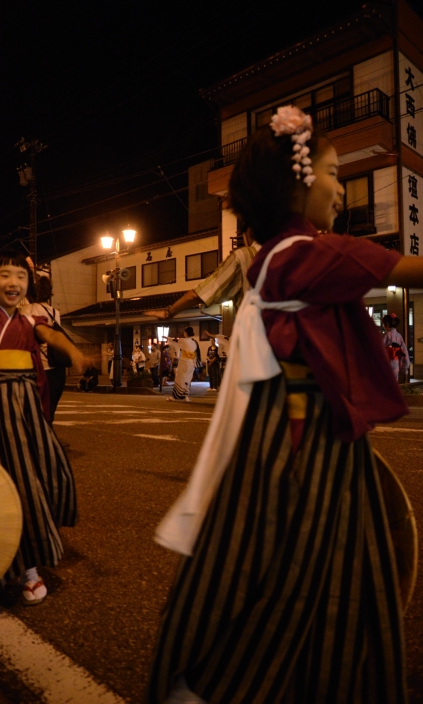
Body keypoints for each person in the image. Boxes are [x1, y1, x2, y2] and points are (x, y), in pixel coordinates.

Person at [148, 106, 417, 703]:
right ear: (298, 182)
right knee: (309, 569)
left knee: (282, 560)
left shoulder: (274, 256)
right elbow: (406, 268)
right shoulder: (302, 254)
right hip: (308, 435)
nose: (339, 186)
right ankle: (215, 687)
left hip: (292, 426)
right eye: (332, 171)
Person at [0, 248, 87, 606]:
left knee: (38, 477)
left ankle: (28, 566)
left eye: (20, 276)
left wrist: (74, 352)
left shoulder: (32, 322)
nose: (13, 282)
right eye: (4, 275)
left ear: (28, 285)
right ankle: (1, 563)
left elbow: (53, 337)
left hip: (27, 409)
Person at [143, 233, 260, 323]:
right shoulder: (277, 254)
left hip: (256, 337)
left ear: (249, 232)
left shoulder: (244, 256)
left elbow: (200, 293)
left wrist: (168, 312)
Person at [21, 276, 66, 421]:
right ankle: (47, 437)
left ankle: (40, 440)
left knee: (34, 410)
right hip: (56, 367)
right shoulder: (54, 312)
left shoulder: (27, 310)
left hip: (37, 368)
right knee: (49, 409)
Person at [167, 327, 199, 402]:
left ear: (186, 333)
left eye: (184, 332)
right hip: (191, 363)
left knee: (179, 378)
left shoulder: (183, 341)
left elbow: (175, 341)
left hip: (184, 361)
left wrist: (167, 337)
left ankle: (175, 396)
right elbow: (196, 355)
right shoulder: (194, 342)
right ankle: (186, 396)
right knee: (188, 380)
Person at [382, 313, 410, 383]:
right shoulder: (399, 336)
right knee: (394, 383)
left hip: (386, 363)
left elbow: (379, 349)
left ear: (387, 324)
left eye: (384, 324)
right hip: (396, 363)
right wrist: (405, 366)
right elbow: (404, 351)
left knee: (385, 384)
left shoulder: (386, 335)